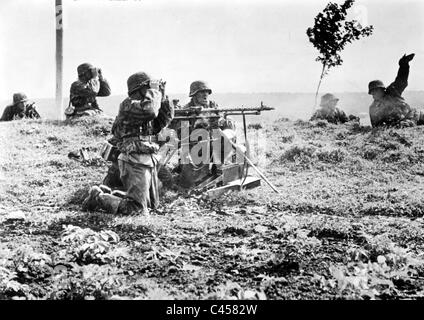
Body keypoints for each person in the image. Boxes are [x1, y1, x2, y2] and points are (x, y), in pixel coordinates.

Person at [83, 71, 173, 215]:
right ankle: (98, 198)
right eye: (148, 88)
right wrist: (154, 91)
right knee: (137, 211)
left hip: (146, 159)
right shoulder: (129, 105)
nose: (151, 91)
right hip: (134, 159)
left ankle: (108, 193)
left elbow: (164, 120)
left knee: (151, 206)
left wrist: (163, 96)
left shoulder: (145, 106)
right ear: (139, 89)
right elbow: (150, 111)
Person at [368, 53, 424, 127]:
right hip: (401, 124)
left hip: (413, 115)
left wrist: (404, 65)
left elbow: (401, 79)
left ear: (382, 89)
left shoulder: (392, 91)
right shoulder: (373, 108)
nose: (374, 93)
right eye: (372, 91)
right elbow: (376, 126)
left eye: (376, 90)